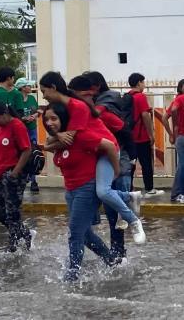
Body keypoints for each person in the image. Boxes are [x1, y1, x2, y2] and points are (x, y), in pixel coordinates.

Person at [39, 71, 145, 244]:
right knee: (102, 197)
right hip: (95, 152)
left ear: (53, 87)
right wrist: (56, 138)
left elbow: (69, 139)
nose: (43, 96)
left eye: (44, 91)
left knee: (103, 192)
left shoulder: (77, 107)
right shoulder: (66, 108)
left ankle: (133, 221)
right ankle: (129, 197)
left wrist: (117, 168)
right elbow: (62, 138)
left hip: (106, 151)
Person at [43, 103, 122, 281]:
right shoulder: (59, 140)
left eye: (54, 118)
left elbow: (110, 146)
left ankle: (73, 274)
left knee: (75, 232)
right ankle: (111, 260)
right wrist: (55, 140)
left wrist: (116, 172)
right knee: (85, 235)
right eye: (46, 119)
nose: (49, 122)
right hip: (70, 190)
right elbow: (47, 144)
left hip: (87, 188)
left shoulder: (80, 136)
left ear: (64, 119)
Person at [72, 73, 145, 256]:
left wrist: (132, 159)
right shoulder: (91, 108)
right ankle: (112, 254)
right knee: (103, 203)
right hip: (102, 160)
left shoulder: (103, 109)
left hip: (116, 157)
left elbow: (125, 131)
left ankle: (118, 253)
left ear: (93, 89)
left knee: (114, 212)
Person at [0, 100, 34, 252]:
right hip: (0, 174)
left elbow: (27, 150)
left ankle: (13, 244)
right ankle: (24, 233)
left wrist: (15, 173)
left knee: (12, 211)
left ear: (5, 114)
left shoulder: (17, 125)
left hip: (13, 174)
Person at [162, 77, 184, 203]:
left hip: (180, 136)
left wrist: (172, 131)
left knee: (182, 166)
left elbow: (166, 116)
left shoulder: (180, 98)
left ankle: (182, 194)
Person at [128, 73, 161, 196]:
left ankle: (128, 188)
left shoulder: (127, 96)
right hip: (141, 136)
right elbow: (145, 115)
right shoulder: (140, 97)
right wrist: (151, 134)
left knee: (130, 164)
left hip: (129, 136)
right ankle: (149, 189)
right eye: (143, 82)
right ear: (138, 83)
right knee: (146, 163)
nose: (144, 85)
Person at [15, 77, 41, 193]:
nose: (30, 88)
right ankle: (22, 178)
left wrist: (33, 117)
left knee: (34, 153)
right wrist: (23, 119)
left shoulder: (32, 98)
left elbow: (37, 111)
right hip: (21, 130)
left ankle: (34, 180)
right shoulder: (16, 98)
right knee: (21, 153)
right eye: (28, 86)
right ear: (22, 88)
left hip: (31, 129)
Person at [0, 67, 24, 132]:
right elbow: (5, 114)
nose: (14, 80)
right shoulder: (3, 93)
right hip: (3, 130)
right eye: (13, 78)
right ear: (8, 78)